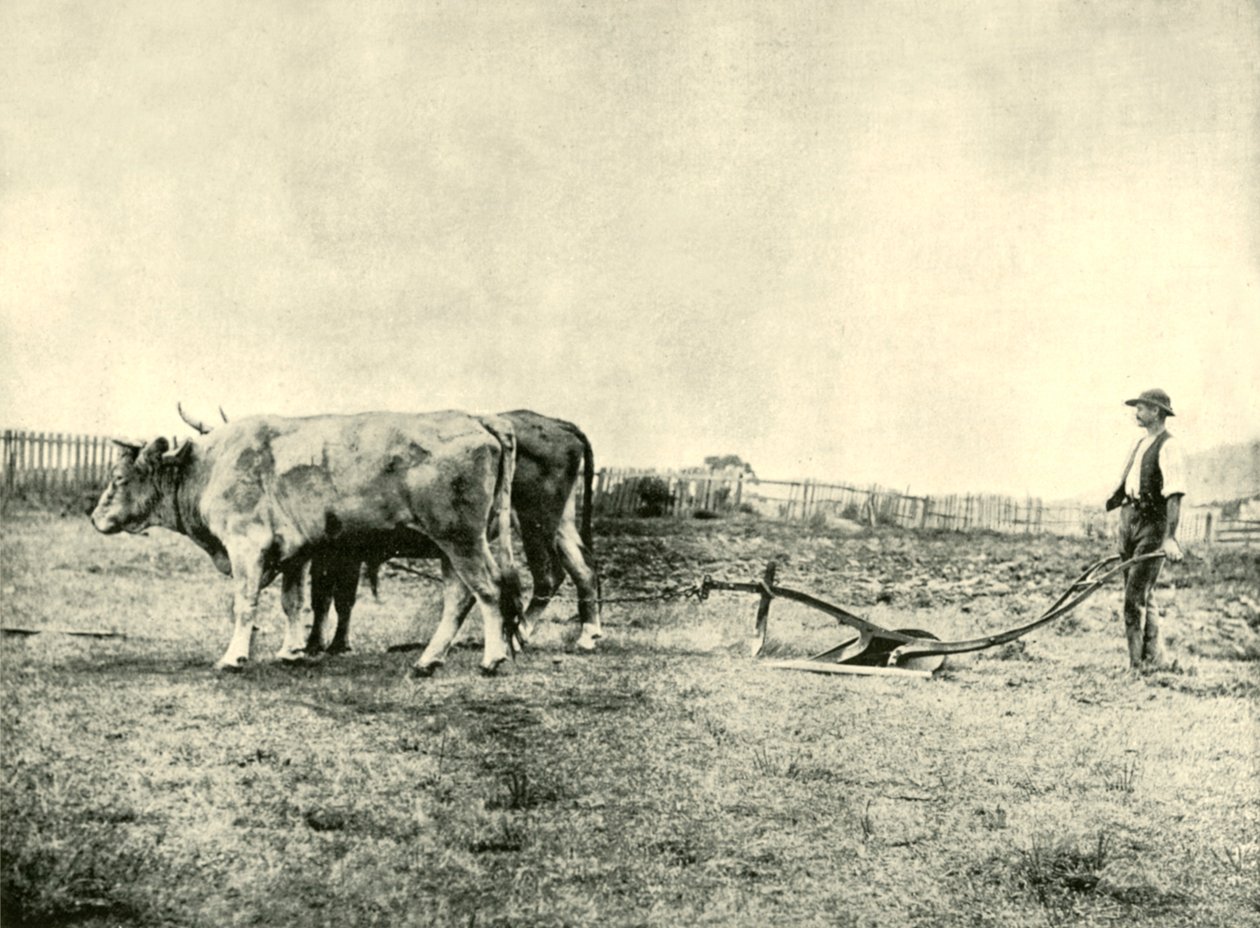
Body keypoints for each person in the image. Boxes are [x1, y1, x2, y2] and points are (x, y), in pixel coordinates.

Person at [1105, 388, 1186, 669]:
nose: (1136, 412)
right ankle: (1154, 659)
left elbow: (1174, 495)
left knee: (1133, 598)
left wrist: (1170, 538)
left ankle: (1136, 667)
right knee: (1142, 592)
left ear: (1157, 412)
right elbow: (1125, 482)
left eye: (1142, 407)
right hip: (1129, 521)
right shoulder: (1140, 443)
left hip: (1152, 525)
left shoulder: (1169, 446)